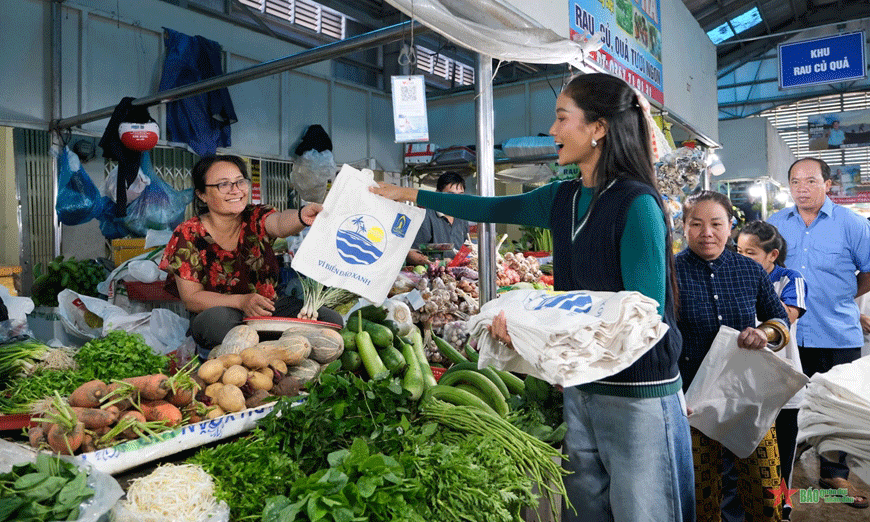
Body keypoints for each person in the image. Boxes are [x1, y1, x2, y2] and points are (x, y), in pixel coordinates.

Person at [374, 72, 694, 522]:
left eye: (563, 118)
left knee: (644, 511)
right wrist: (409, 194)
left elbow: (643, 319)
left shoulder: (636, 205)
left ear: (598, 128)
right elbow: (490, 208)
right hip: (581, 385)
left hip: (637, 391)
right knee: (585, 509)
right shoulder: (562, 198)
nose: (552, 130)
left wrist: (539, 331)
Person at [676, 191, 790, 522]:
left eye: (716, 223)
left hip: (747, 396)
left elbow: (778, 318)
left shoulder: (749, 270)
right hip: (692, 399)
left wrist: (764, 334)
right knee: (702, 493)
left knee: (765, 485)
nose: (706, 232)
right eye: (696, 224)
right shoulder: (669, 272)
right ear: (684, 227)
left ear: (731, 227)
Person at [159, 155, 343, 359]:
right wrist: (242, 301)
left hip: (269, 308)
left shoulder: (255, 217)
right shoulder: (188, 233)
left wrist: (302, 216)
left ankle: (274, 349)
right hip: (224, 312)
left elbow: (279, 223)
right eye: (223, 184)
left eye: (240, 181)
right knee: (217, 324)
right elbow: (191, 299)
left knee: (330, 321)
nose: (235, 190)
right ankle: (267, 350)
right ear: (202, 194)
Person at [768, 157, 870, 509]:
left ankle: (833, 472)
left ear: (828, 184)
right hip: (787, 335)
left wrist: (842, 297)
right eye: (795, 181)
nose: (802, 188)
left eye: (810, 181)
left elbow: (869, 270)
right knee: (785, 405)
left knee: (837, 406)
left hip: (836, 332)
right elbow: (762, 268)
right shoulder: (775, 223)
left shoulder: (852, 225)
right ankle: (780, 471)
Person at [736, 220, 808, 521]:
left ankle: (782, 507)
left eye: (750, 253)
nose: (742, 258)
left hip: (782, 382)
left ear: (772, 255)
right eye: (738, 250)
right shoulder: (732, 275)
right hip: (745, 383)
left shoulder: (790, 280)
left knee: (781, 451)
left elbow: (786, 316)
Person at [406, 171, 470, 265]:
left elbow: (465, 246)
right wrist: (439, 263)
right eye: (451, 195)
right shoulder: (426, 217)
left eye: (460, 195)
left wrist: (461, 261)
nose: (456, 200)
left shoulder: (462, 217)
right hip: (431, 275)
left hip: (455, 274)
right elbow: (410, 253)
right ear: (438, 194)